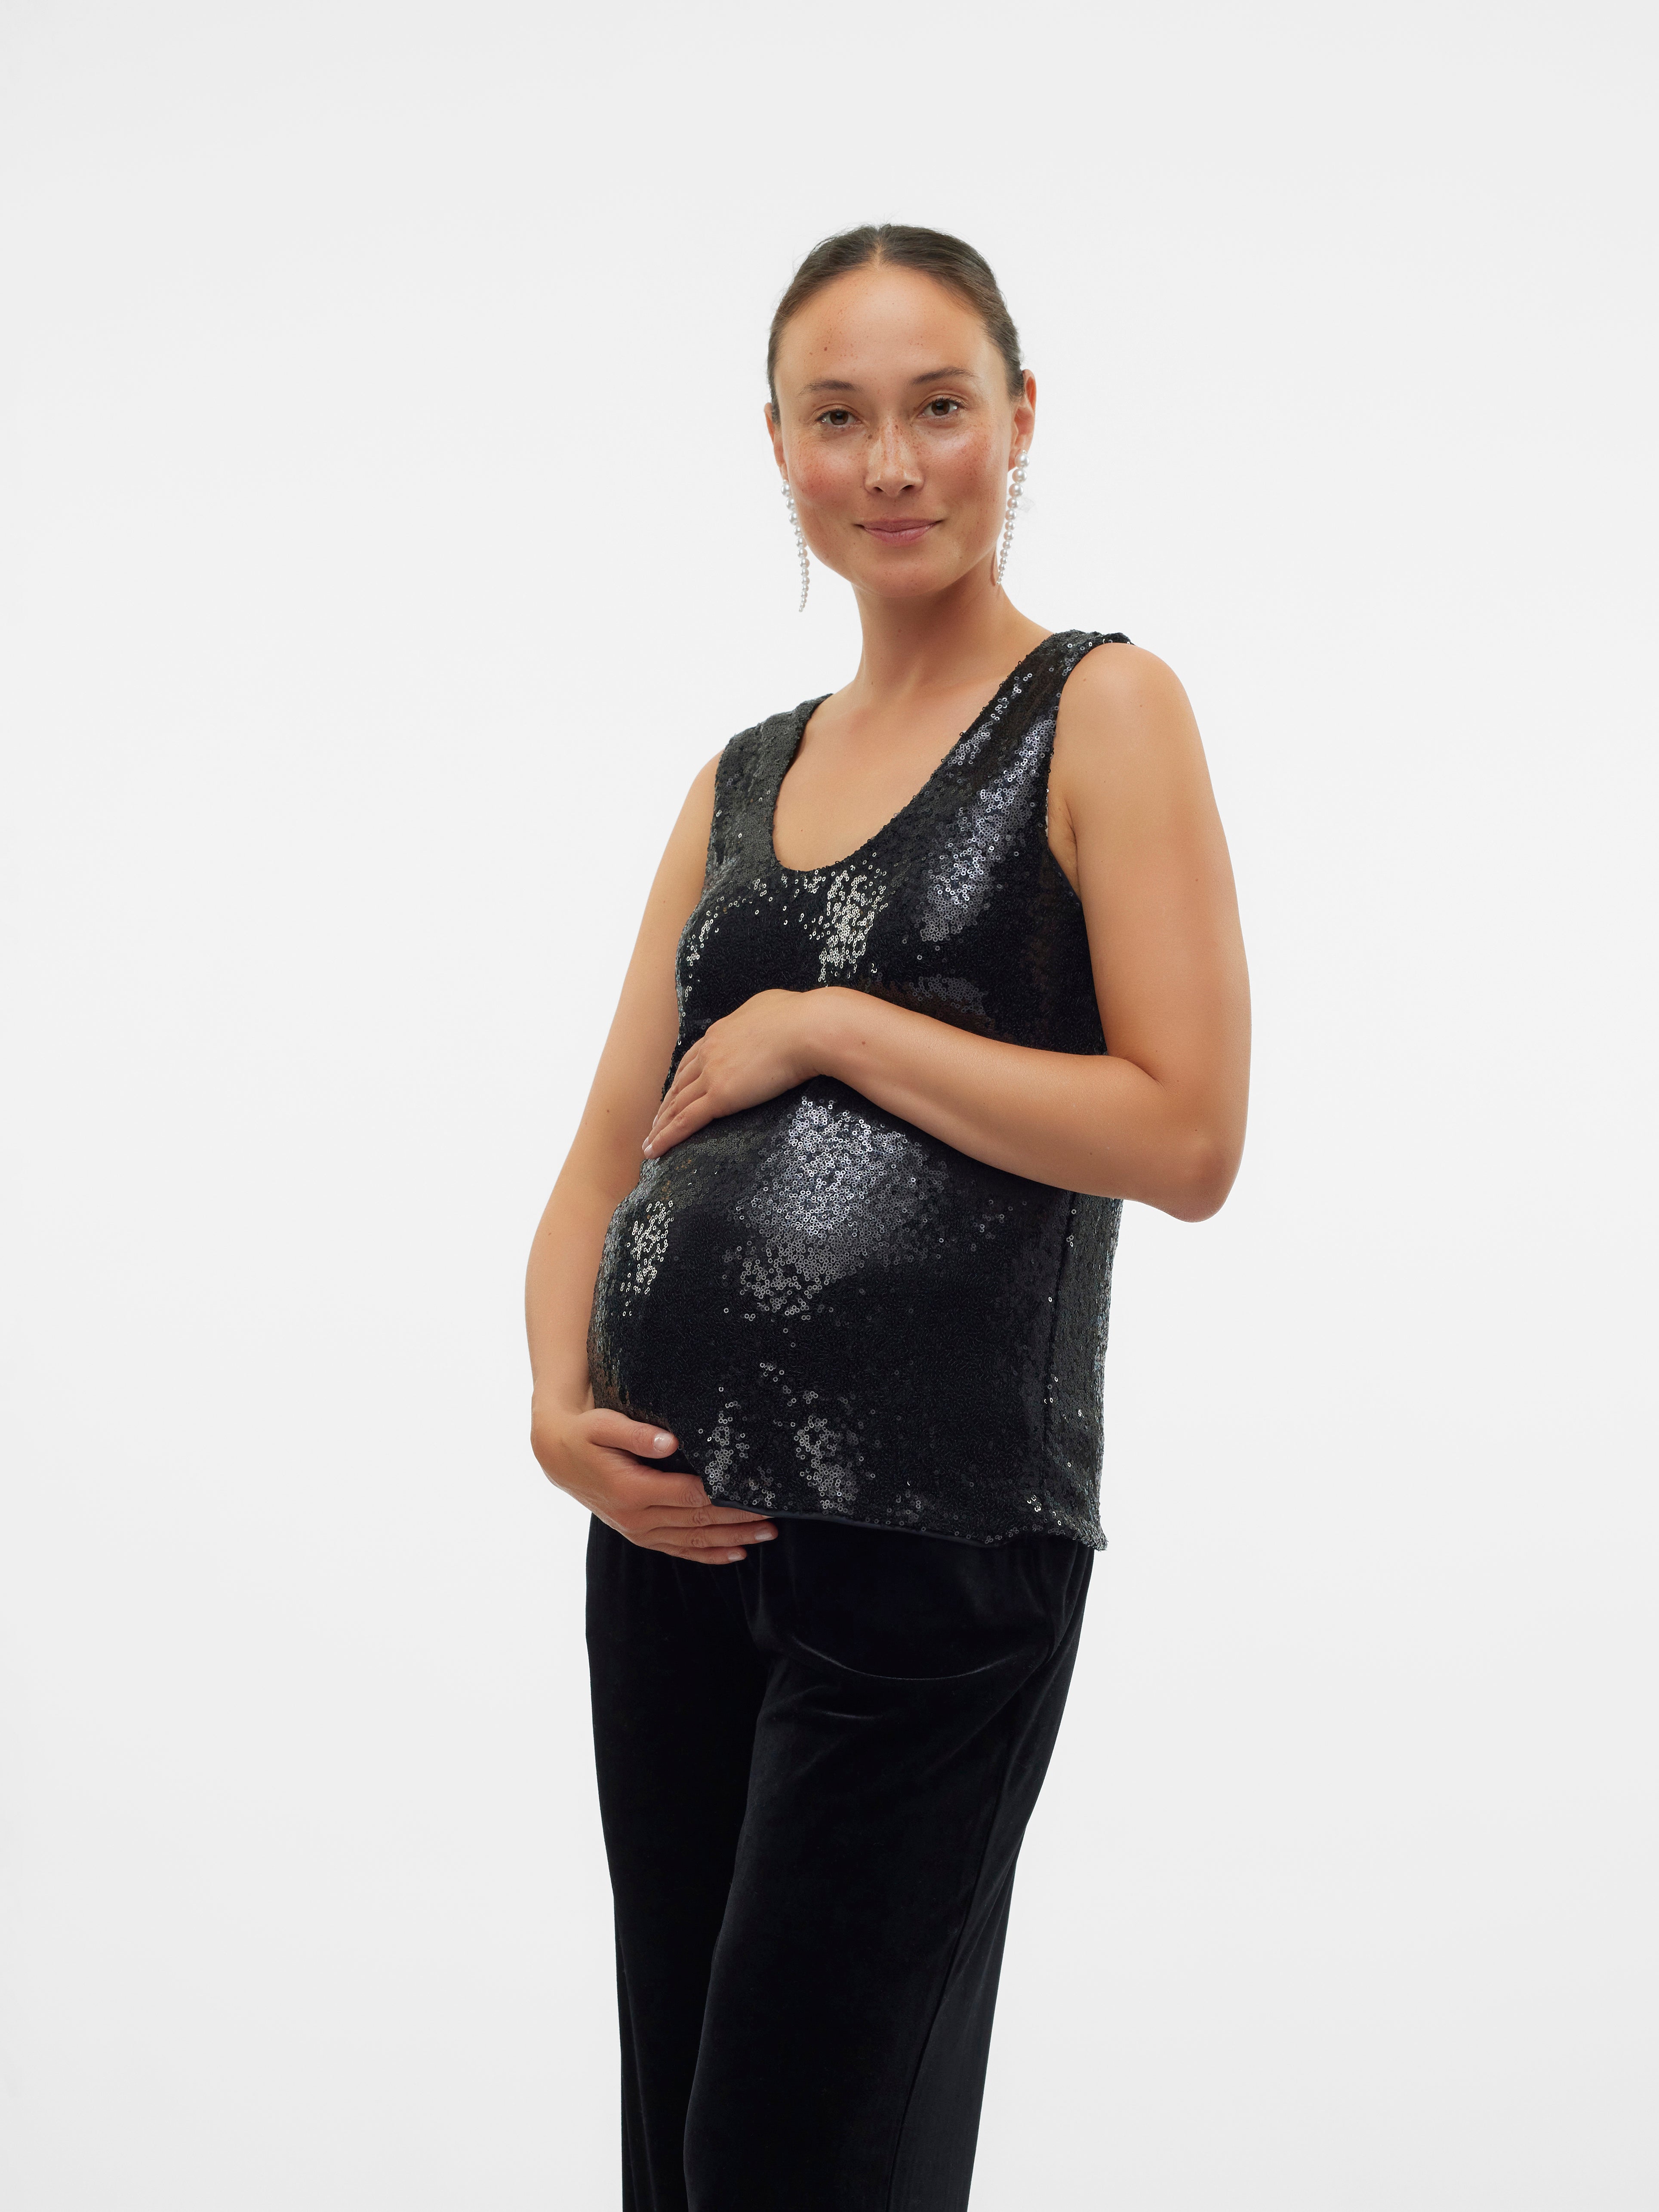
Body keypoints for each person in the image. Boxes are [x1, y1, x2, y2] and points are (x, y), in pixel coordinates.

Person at [525, 223, 1250, 2212]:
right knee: (680, 2155)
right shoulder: (737, 779)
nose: (892, 462)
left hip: (933, 1547)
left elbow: (1185, 1131)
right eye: (836, 418)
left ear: (1017, 420)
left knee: (796, 2160)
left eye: (938, 407)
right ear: (775, 446)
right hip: (671, 1539)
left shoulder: (1099, 707)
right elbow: (600, 1157)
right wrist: (554, 1404)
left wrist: (832, 1023)